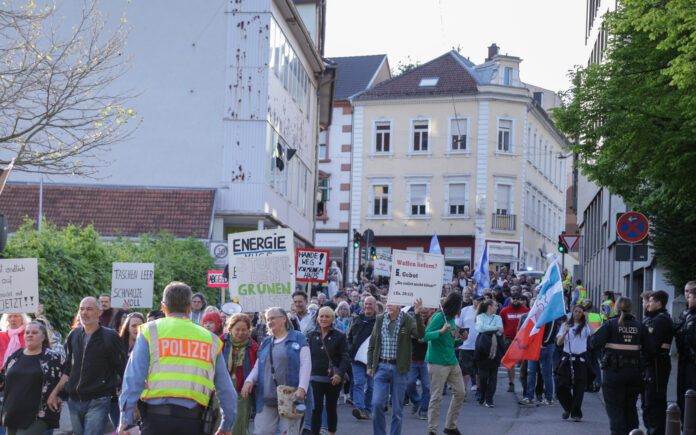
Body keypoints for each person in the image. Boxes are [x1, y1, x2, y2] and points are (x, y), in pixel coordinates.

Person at [117, 282, 237, 435]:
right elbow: (226, 389)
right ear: (189, 308)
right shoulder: (210, 339)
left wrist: (125, 419)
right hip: (193, 422)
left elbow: (133, 378)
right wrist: (227, 425)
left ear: (163, 307)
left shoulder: (149, 331)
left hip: (155, 421)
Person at [47, 297, 126, 435]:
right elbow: (68, 369)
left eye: (89, 309)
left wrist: (130, 400)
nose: (84, 312)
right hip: (75, 400)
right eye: (82, 309)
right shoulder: (73, 335)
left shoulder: (110, 337)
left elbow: (122, 369)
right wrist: (55, 393)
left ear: (99, 312)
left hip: (99, 400)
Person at [241, 307, 310, 435]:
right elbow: (259, 365)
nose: (270, 322)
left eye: (273, 318)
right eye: (267, 319)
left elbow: (305, 365)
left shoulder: (299, 338)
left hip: (291, 396)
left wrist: (302, 388)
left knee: (289, 432)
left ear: (284, 319)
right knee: (261, 431)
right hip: (267, 395)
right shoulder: (266, 341)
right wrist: (249, 380)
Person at [591, 296, 652, 435]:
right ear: (631, 308)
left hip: (614, 373)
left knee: (615, 411)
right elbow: (650, 349)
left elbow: (594, 343)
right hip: (634, 373)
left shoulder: (610, 324)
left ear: (616, 308)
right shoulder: (640, 326)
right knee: (630, 409)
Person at [367, 298, 425, 435]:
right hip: (381, 366)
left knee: (397, 410)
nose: (388, 305)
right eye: (387, 302)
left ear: (399, 305)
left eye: (392, 302)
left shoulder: (407, 318)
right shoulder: (380, 319)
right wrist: (370, 365)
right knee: (376, 404)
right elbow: (372, 343)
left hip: (399, 368)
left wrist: (417, 314)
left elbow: (420, 335)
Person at [0, 321, 63, 435]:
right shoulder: (15, 356)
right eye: (27, 332)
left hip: (38, 414)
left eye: (34, 332)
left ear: (43, 337)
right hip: (13, 411)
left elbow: (68, 375)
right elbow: (2, 380)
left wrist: (59, 394)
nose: (30, 335)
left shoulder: (52, 358)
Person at [423, 293, 465, 435]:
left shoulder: (451, 319)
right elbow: (424, 335)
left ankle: (450, 426)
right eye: (460, 304)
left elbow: (450, 343)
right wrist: (440, 331)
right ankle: (432, 430)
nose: (461, 307)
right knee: (436, 397)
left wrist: (461, 341)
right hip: (437, 362)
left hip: (452, 361)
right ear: (455, 304)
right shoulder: (439, 317)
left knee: (460, 392)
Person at [307, 307, 349, 435]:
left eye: (327, 316)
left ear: (332, 319)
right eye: (321, 316)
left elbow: (345, 357)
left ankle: (331, 432)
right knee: (316, 409)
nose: (324, 319)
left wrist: (339, 374)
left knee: (331, 408)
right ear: (317, 318)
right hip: (315, 378)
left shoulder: (340, 336)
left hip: (333, 379)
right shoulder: (311, 335)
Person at [555, 304, 596, 422]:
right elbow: (559, 343)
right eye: (575, 311)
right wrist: (565, 332)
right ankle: (568, 407)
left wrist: (588, 320)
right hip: (567, 358)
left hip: (580, 359)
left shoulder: (585, 326)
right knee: (561, 386)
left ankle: (576, 412)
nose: (577, 314)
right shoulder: (565, 325)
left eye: (580, 312)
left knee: (579, 387)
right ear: (572, 312)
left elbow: (595, 332)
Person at [641, 290, 673, 435]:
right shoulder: (653, 318)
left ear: (659, 303)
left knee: (654, 402)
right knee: (648, 402)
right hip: (651, 365)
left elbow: (652, 345)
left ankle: (655, 432)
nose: (648, 304)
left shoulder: (660, 320)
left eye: (651, 301)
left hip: (656, 365)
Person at [222, 313, 258, 435]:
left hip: (243, 391)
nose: (240, 333)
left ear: (249, 330)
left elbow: (255, 369)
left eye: (244, 330)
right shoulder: (220, 342)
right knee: (220, 424)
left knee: (239, 424)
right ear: (230, 328)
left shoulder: (253, 346)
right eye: (237, 329)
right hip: (222, 390)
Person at [519, 314, 562, 407]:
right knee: (531, 371)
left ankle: (548, 398)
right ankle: (529, 397)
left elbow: (552, 329)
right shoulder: (536, 313)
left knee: (545, 373)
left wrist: (544, 343)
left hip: (544, 346)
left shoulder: (550, 313)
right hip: (534, 345)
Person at [347, 295, 376, 420]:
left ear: (375, 306)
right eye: (365, 303)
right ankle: (359, 408)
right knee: (358, 383)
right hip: (356, 358)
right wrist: (350, 349)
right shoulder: (356, 319)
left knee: (370, 386)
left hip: (372, 359)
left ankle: (368, 409)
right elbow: (350, 337)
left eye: (370, 304)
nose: (367, 306)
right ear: (362, 305)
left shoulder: (379, 321)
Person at [474, 299, 504, 408]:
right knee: (483, 376)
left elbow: (501, 332)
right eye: (495, 306)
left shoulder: (498, 318)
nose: (497, 308)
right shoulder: (480, 317)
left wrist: (490, 329)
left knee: (493, 376)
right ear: (490, 306)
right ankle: (482, 394)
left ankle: (489, 398)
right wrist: (495, 328)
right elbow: (480, 328)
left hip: (495, 349)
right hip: (482, 348)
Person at [674, 280, 696, 423]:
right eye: (686, 292)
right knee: (682, 395)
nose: (687, 295)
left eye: (690, 292)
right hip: (684, 359)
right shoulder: (685, 313)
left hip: (692, 361)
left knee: (691, 395)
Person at [499, 292, 529, 392]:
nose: (515, 300)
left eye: (517, 298)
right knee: (510, 363)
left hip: (522, 340)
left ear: (520, 300)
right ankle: (511, 383)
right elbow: (500, 324)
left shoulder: (526, 311)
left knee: (524, 362)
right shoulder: (504, 311)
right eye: (514, 298)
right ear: (510, 299)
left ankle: (522, 377)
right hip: (509, 339)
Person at [405, 308, 431, 421]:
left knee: (427, 387)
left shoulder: (432, 323)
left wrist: (425, 339)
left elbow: (436, 337)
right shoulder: (412, 322)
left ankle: (423, 410)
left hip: (427, 360)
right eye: (422, 313)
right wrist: (416, 336)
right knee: (409, 384)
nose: (424, 315)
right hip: (413, 359)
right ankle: (416, 401)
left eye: (426, 313)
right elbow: (405, 334)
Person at [455, 294, 480, 400]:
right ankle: (463, 391)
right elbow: (457, 325)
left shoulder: (484, 311)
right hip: (466, 346)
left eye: (481, 300)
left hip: (479, 345)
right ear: (472, 300)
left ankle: (479, 391)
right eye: (477, 300)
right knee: (465, 370)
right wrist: (459, 339)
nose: (478, 302)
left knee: (478, 370)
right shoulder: (465, 310)